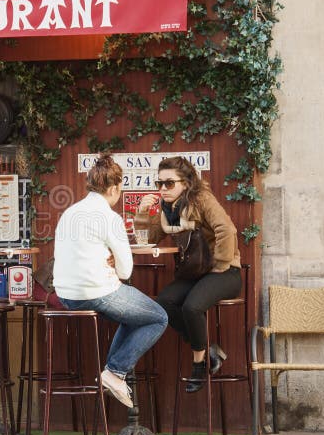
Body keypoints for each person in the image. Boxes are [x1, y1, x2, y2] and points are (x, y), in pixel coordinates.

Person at [53, 153, 168, 408]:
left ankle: (114, 373)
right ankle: (115, 372)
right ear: (115, 188)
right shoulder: (110, 218)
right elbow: (126, 272)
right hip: (97, 292)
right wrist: (113, 261)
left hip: (66, 295)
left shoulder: (69, 213)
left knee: (133, 314)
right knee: (158, 317)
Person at [135, 156, 242, 392]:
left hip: (225, 272)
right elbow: (151, 238)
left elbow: (226, 228)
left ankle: (198, 366)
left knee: (191, 307)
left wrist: (222, 264)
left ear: (186, 182)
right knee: (163, 303)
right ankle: (209, 350)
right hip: (195, 273)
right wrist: (142, 212)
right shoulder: (167, 209)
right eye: (159, 183)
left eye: (169, 183)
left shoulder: (201, 199)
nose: (163, 189)